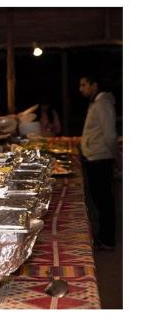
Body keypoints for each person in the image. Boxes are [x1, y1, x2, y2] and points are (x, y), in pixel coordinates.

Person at [79, 74, 121, 250]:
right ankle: (103, 237)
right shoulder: (96, 103)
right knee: (99, 201)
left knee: (104, 201)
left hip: (101, 158)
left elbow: (110, 135)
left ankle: (107, 241)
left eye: (83, 85)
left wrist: (117, 158)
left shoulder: (103, 104)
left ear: (94, 85)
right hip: (95, 157)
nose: (80, 89)